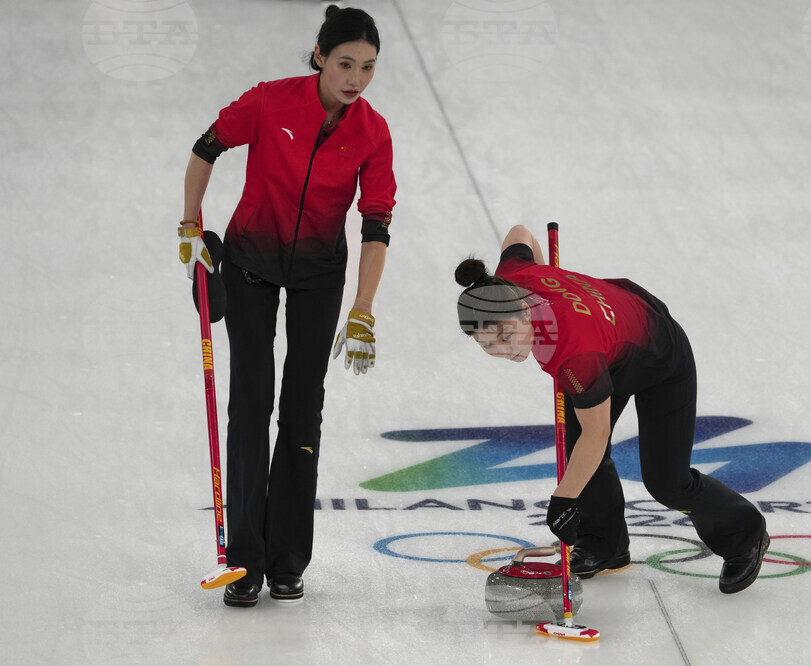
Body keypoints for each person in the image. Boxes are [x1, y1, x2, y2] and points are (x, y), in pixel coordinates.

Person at [177, 6, 396, 608]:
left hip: (319, 277)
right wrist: (190, 224)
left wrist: (364, 307)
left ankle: (288, 559)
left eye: (369, 68)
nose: (356, 78)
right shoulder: (272, 102)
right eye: (346, 63)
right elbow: (207, 145)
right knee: (251, 399)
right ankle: (244, 559)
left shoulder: (372, 132)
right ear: (320, 56)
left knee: (304, 410)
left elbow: (376, 224)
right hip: (248, 263)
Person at [454, 225, 769, 593]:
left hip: (659, 358)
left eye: (506, 335)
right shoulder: (507, 279)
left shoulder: (574, 353)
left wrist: (564, 499)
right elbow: (521, 233)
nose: (504, 351)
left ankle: (746, 534)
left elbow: (597, 433)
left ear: (524, 308)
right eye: (488, 345)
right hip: (611, 339)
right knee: (581, 454)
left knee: (668, 483)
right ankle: (605, 547)